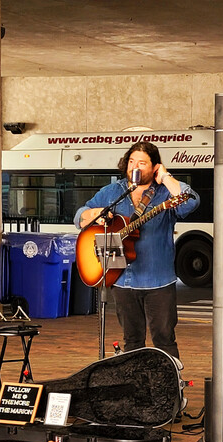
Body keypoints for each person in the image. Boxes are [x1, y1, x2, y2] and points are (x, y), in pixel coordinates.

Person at [74, 141, 199, 359]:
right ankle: (137, 388)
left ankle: (168, 389)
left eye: (142, 163)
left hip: (158, 280)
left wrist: (166, 177)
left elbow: (190, 203)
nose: (135, 167)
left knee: (164, 339)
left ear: (155, 167)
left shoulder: (165, 193)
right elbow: (79, 216)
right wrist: (95, 213)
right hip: (122, 280)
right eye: (132, 162)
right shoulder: (113, 191)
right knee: (132, 340)